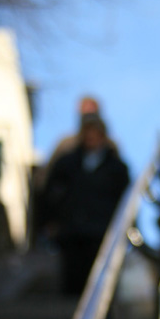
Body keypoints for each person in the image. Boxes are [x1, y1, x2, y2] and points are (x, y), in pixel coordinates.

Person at [43, 114, 129, 294]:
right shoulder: (66, 164)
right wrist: (52, 221)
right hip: (72, 233)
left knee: (99, 284)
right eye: (88, 134)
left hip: (101, 234)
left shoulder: (117, 168)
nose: (91, 138)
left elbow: (125, 202)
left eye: (95, 134)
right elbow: (51, 194)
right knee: (73, 283)